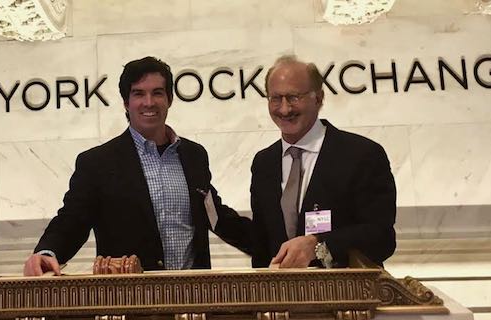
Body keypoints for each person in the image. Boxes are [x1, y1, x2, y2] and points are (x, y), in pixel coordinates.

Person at [23, 56, 246, 276]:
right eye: (138, 93)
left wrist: (273, 246)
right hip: (131, 300)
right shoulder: (97, 163)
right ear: (125, 102)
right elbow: (72, 221)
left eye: (157, 93)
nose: (149, 102)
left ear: (169, 99)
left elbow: (216, 216)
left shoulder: (194, 156)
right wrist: (47, 252)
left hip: (191, 300)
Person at [238, 55, 396, 268]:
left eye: (293, 97)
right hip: (282, 297)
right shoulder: (263, 163)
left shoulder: (362, 155)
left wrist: (319, 245)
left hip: (347, 295)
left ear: (318, 98)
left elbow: (382, 237)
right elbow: (262, 244)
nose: (284, 109)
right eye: (276, 98)